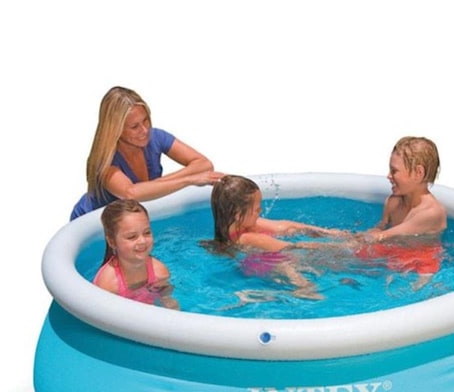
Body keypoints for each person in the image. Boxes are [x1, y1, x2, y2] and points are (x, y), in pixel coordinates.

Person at [70, 86, 224, 220]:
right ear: (116, 130)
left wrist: (154, 186)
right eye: (134, 126)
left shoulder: (155, 137)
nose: (144, 130)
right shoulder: (105, 160)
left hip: (130, 219)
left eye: (145, 120)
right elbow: (131, 194)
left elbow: (204, 164)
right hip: (91, 219)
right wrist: (188, 180)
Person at [208, 175, 345, 299]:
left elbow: (285, 226)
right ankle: (300, 290)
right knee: (296, 272)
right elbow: (293, 248)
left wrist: (328, 233)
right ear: (238, 215)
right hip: (264, 267)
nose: (261, 211)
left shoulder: (234, 227)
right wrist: (337, 246)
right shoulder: (250, 238)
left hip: (251, 263)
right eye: (257, 209)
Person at [357, 136, 448, 284]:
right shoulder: (393, 202)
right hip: (393, 250)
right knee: (342, 258)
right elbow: (380, 229)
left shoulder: (432, 212)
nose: (388, 176)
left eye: (394, 171)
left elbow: (382, 236)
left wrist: (336, 237)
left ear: (418, 173)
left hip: (422, 262)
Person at [93, 199, 179, 309]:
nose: (142, 241)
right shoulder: (108, 285)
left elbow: (168, 300)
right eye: (132, 237)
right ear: (112, 242)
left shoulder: (159, 272)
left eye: (147, 233)